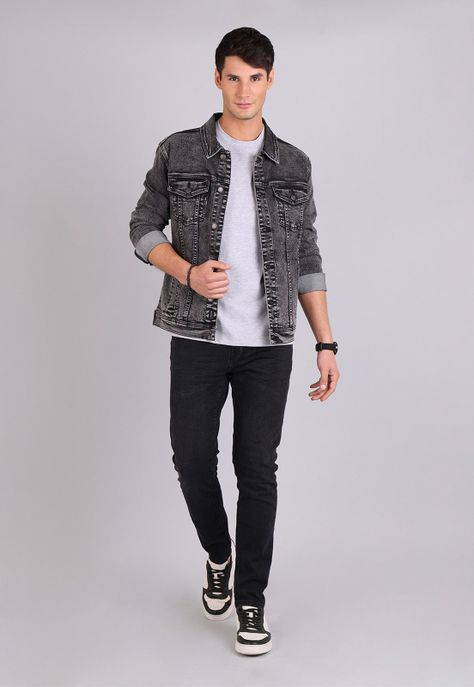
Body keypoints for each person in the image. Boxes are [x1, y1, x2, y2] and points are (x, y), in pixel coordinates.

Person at [129, 26, 340, 656]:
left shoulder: (294, 164)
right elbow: (142, 226)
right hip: (197, 336)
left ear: (270, 81)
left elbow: (307, 257)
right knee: (191, 458)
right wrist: (187, 272)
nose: (244, 91)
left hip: (269, 344)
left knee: (257, 470)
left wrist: (326, 344)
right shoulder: (179, 151)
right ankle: (219, 554)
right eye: (233, 77)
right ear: (217, 78)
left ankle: (251, 600)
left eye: (255, 78)